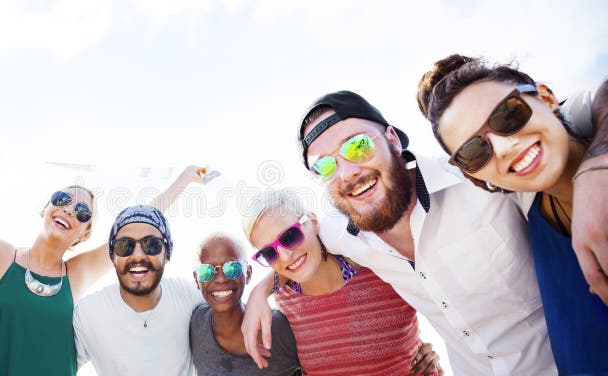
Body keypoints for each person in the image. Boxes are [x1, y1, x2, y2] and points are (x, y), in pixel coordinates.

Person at [240, 88, 602, 374]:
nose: (346, 171)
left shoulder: (475, 173)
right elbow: (293, 248)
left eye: (357, 146)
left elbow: (594, 102)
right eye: (324, 166)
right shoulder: (340, 234)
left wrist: (596, 169)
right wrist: (260, 291)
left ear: (393, 139)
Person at [415, 54, 608, 374]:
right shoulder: (522, 212)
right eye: (473, 150)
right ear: (472, 175)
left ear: (546, 97)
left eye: (508, 115)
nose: (504, 148)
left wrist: (595, 165)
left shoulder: (590, 124)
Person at [0, 168, 206, 375]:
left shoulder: (75, 275)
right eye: (63, 199)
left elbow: (140, 222)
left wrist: (184, 179)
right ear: (46, 208)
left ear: (84, 235)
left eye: (82, 212)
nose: (70, 210)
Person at [242, 191, 441, 376]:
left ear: (312, 222)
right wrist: (258, 292)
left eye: (290, 236)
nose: (285, 256)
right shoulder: (284, 296)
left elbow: (447, 304)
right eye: (269, 253)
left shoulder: (372, 263)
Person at [73, 205, 205, 375]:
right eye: (124, 245)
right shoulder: (88, 313)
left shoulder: (190, 296)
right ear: (113, 255)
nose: (138, 256)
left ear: (167, 252)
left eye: (151, 244)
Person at [189, 233, 302, 376]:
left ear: (247, 274)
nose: (221, 279)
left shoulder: (279, 327)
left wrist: (262, 290)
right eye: (207, 271)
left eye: (232, 268)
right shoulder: (195, 324)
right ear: (196, 279)